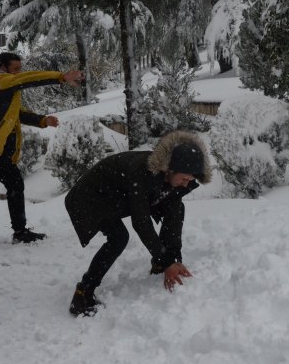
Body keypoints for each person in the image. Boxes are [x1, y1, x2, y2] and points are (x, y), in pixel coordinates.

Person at [65, 131, 212, 316]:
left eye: (189, 181)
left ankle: (160, 265)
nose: (185, 184)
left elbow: (173, 211)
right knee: (118, 238)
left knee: (176, 207)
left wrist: (171, 259)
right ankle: (82, 294)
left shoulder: (173, 179)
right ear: (170, 169)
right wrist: (167, 262)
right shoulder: (143, 171)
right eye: (183, 179)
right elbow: (141, 222)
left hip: (117, 196)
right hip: (90, 197)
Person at [0, 52, 84, 245]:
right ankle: (20, 232)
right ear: (3, 67)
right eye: (16, 69)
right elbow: (28, 79)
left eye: (20, 69)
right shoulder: (0, 81)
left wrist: (42, 120)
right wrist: (60, 77)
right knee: (14, 184)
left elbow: (15, 114)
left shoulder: (0, 86)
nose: (19, 73)